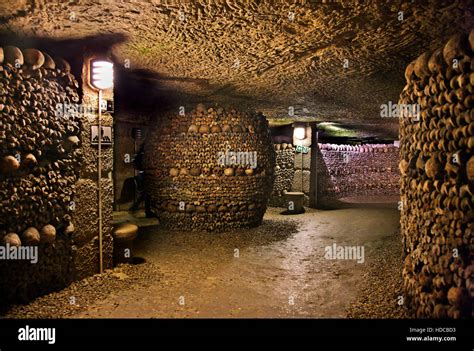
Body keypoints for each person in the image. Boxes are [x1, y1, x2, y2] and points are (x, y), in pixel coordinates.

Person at [129, 144, 153, 217]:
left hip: (142, 174)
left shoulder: (138, 155)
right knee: (146, 194)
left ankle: (138, 208)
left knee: (145, 194)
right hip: (144, 175)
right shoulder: (143, 156)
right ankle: (144, 210)